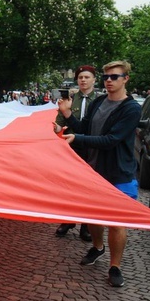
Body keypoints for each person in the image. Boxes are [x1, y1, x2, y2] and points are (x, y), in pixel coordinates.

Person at [58, 60, 141, 288]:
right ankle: (97, 247)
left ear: (126, 78)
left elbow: (112, 140)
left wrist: (78, 138)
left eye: (114, 77)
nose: (109, 81)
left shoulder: (131, 108)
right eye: (106, 77)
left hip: (119, 174)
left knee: (116, 223)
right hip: (93, 172)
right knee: (94, 217)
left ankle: (115, 266)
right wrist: (67, 115)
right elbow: (83, 127)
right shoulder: (99, 102)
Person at [54, 65, 99, 241]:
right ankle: (68, 220)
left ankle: (86, 225)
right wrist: (55, 127)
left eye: (87, 77)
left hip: (93, 148)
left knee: (90, 188)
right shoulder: (71, 100)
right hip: (72, 147)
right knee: (70, 185)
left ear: (94, 80)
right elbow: (59, 123)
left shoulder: (100, 101)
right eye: (80, 77)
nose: (83, 80)